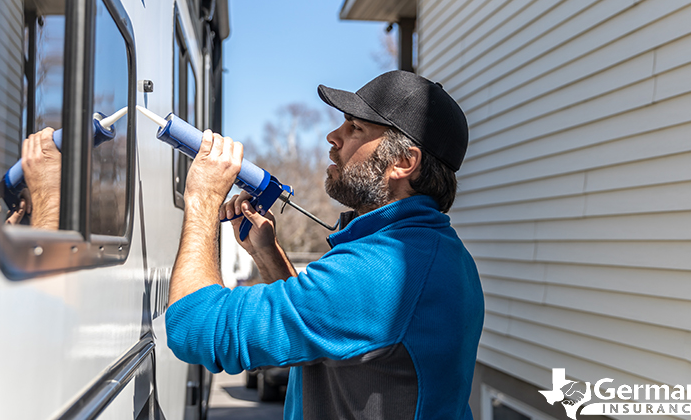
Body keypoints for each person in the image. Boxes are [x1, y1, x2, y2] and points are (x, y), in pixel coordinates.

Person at [166, 70, 485, 419]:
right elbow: (324, 340)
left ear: (404, 163)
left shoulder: (385, 269)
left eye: (355, 128)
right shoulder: (439, 252)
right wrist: (267, 253)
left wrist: (202, 198)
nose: (333, 136)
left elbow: (192, 326)